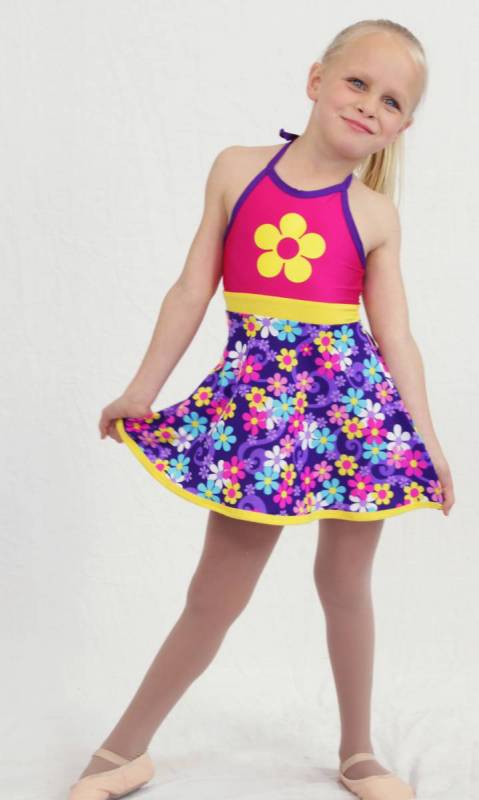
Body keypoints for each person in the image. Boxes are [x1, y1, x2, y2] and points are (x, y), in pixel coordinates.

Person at [68, 17, 455, 800]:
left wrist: (427, 442)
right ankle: (123, 749)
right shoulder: (238, 170)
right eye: (357, 83)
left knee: (345, 584)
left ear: (401, 128)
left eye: (390, 101)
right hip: (260, 425)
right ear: (315, 80)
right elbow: (191, 289)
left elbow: (396, 338)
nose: (368, 105)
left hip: (354, 420)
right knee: (215, 595)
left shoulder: (375, 216)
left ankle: (357, 752)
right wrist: (141, 391)